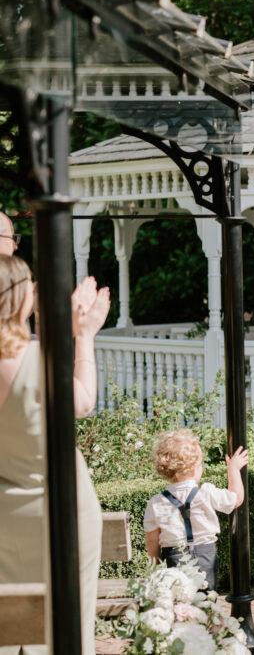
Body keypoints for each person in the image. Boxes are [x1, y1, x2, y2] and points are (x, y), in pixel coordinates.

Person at [0, 257, 109, 654]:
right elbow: (82, 402)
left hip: (4, 518)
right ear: (21, 298)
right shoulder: (36, 360)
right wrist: (85, 335)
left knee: (5, 630)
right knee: (69, 625)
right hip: (63, 510)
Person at [143, 429, 248, 591]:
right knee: (206, 601)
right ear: (194, 470)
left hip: (173, 558)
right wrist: (233, 470)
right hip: (205, 555)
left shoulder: (156, 502)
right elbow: (236, 498)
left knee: (178, 601)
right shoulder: (206, 492)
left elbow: (152, 539)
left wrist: (156, 565)